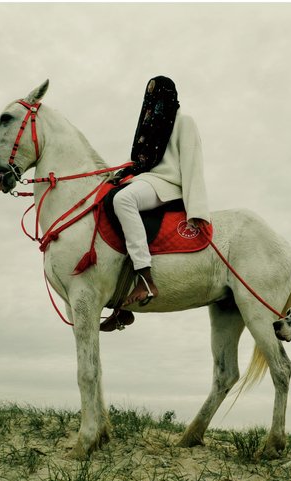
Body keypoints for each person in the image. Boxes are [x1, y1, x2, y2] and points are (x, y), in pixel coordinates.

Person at [100, 76, 210, 331]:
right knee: (108, 198)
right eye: (149, 96)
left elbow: (193, 163)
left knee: (124, 199)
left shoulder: (184, 122)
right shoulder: (149, 127)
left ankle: (146, 278)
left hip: (169, 184)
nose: (152, 102)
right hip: (147, 180)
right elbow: (140, 163)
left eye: (156, 95)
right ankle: (120, 304)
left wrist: (196, 208)